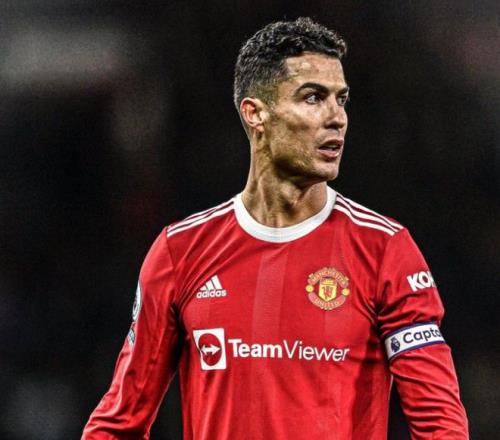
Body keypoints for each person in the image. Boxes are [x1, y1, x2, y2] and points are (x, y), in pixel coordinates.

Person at [82, 17, 468, 439]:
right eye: (313, 97)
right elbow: (118, 422)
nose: (336, 117)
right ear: (256, 114)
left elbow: (440, 423)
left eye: (341, 99)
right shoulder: (181, 251)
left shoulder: (385, 249)